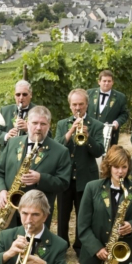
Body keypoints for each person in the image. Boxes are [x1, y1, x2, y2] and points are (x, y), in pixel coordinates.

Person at [0, 106, 70, 229]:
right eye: (35, 123)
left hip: (37, 214)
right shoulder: (12, 143)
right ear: (27, 123)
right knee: (8, 240)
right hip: (10, 208)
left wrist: (40, 178)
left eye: (43, 124)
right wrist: (1, 191)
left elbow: (63, 183)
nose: (38, 128)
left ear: (49, 125)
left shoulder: (61, 151)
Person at [54, 89, 106, 254]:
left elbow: (99, 151)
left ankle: (80, 246)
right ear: (70, 106)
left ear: (87, 105)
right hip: (65, 177)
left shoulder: (96, 125)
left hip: (86, 177)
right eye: (74, 104)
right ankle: (61, 246)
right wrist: (70, 132)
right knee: (63, 215)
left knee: (83, 215)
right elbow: (56, 148)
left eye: (81, 104)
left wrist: (87, 137)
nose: (78, 108)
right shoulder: (62, 124)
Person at [87, 69, 129, 148]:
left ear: (113, 82)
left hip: (110, 135)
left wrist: (117, 122)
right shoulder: (89, 94)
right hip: (90, 133)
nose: (106, 83)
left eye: (109, 81)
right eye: (104, 81)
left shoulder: (120, 97)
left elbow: (124, 114)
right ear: (99, 82)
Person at [0, 80, 34, 152]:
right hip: (8, 153)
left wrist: (28, 130)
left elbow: (47, 135)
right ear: (14, 95)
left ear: (30, 95)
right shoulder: (5, 110)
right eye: (18, 94)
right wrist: (6, 136)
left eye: (24, 94)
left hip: (29, 153)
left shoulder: (39, 111)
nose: (21, 98)